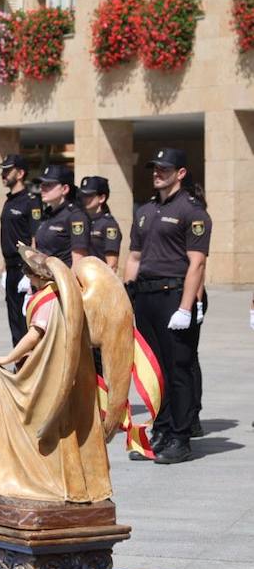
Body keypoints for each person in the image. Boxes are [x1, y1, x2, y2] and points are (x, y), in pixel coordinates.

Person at [124, 148, 210, 464]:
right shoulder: (145, 210)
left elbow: (197, 263)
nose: (157, 172)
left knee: (178, 369)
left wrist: (186, 307)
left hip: (173, 295)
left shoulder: (192, 211)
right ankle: (160, 429)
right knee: (153, 370)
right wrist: (126, 297)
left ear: (181, 173)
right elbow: (134, 257)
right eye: (155, 167)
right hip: (145, 296)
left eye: (164, 168)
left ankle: (180, 437)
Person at [0, 154, 42, 345]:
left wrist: (30, 270)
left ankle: (31, 368)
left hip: (24, 269)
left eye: (7, 171)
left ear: (20, 173)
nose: (3, 175)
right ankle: (20, 366)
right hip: (11, 267)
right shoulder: (9, 201)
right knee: (14, 321)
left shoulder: (31, 201)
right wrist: (5, 269)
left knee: (26, 321)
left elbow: (35, 238)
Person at [32, 165, 89, 268]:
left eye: (48, 185)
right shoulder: (47, 215)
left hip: (62, 280)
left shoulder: (75, 217)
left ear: (65, 189)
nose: (42, 188)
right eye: (42, 184)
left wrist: (70, 283)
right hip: (44, 279)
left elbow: (79, 260)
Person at [79, 176, 121, 271]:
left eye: (89, 195)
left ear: (102, 198)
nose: (84, 199)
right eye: (83, 195)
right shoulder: (80, 220)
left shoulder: (108, 225)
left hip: (98, 278)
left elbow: (112, 264)